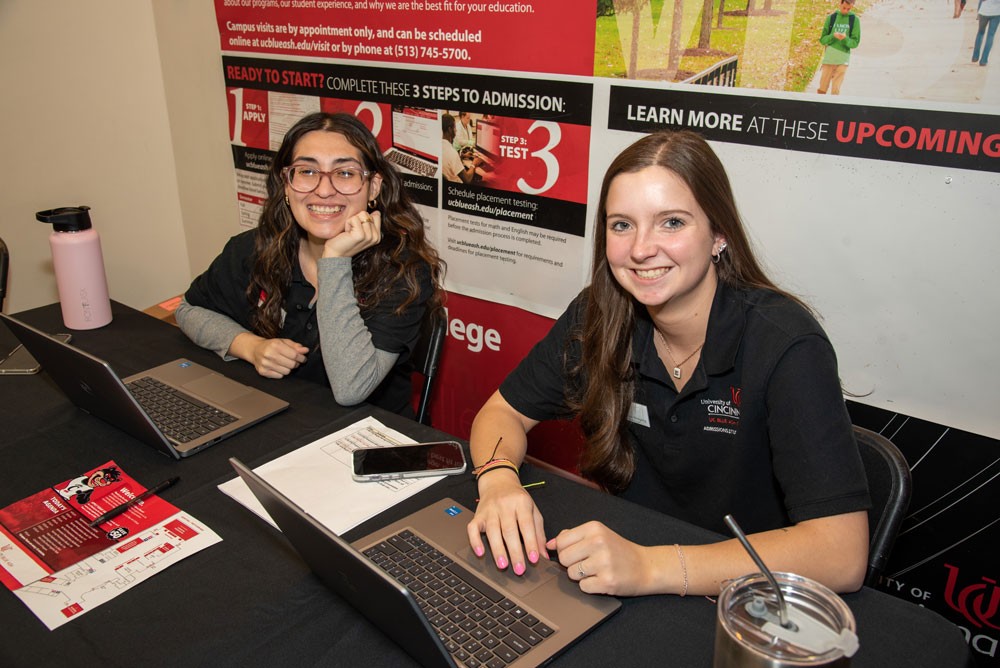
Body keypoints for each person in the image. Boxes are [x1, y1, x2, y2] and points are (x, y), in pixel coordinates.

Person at [465, 130, 871, 598]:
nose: (641, 249)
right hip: (626, 568)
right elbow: (503, 412)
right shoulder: (598, 314)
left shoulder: (785, 344)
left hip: (743, 597)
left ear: (719, 234)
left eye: (671, 223)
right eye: (622, 225)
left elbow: (841, 554)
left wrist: (651, 567)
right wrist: (497, 480)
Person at [176, 112, 444, 416]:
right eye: (307, 171)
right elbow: (190, 310)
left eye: (345, 173)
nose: (325, 190)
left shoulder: (402, 272)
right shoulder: (255, 247)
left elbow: (351, 388)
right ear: (286, 185)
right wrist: (250, 346)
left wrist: (335, 261)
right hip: (277, 418)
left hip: (363, 439)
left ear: (373, 188)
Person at [818, 0, 861, 95]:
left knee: (835, 91)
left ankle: (834, 109)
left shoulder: (854, 20)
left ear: (852, 6)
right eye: (844, 7)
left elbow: (854, 43)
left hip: (843, 59)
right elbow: (822, 40)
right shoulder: (831, 18)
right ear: (840, 3)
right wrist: (833, 36)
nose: (845, 10)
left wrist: (845, 39)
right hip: (829, 58)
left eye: (848, 9)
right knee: (822, 89)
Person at [441, 113, 484, 184]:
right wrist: (474, 164)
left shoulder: (441, 145)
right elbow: (467, 179)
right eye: (454, 128)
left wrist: (463, 156)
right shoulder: (451, 152)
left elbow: (448, 160)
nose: (456, 130)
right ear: (449, 129)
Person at [973, 0, 1000, 66]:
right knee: (990, 36)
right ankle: (983, 60)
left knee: (980, 33)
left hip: (983, 12)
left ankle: (975, 56)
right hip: (997, 13)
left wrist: (978, 12)